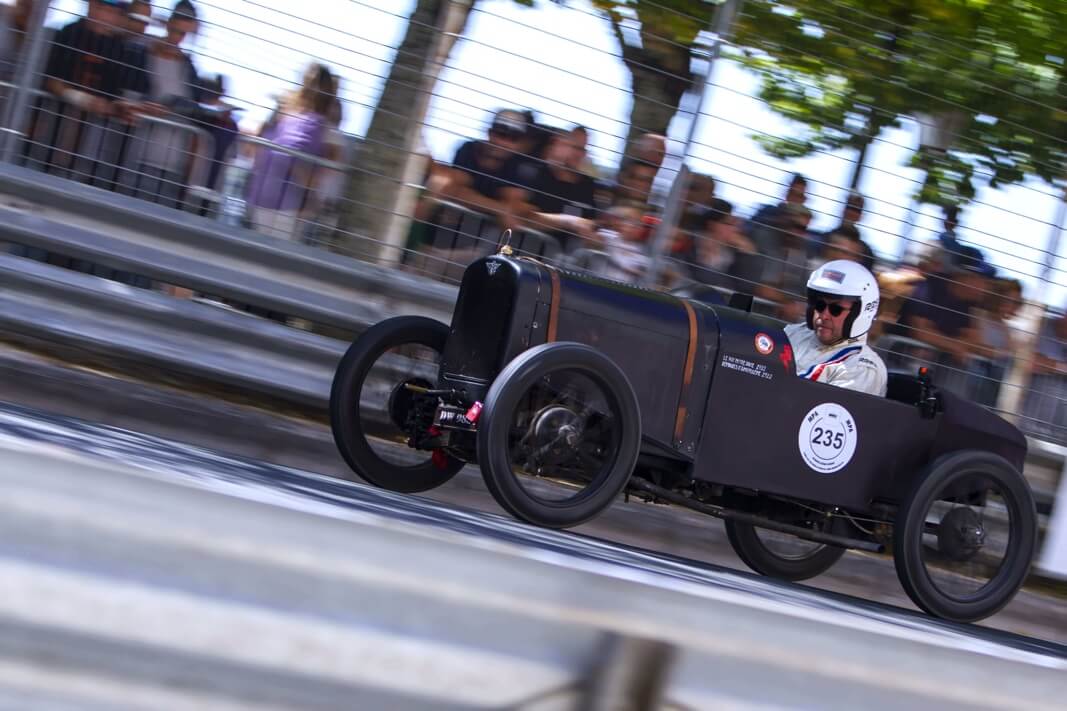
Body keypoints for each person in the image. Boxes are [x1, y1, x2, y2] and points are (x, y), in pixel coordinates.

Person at [784, 260, 888, 397]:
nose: (824, 315)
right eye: (819, 305)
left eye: (836, 309)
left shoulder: (861, 367)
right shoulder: (794, 333)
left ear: (860, 313)